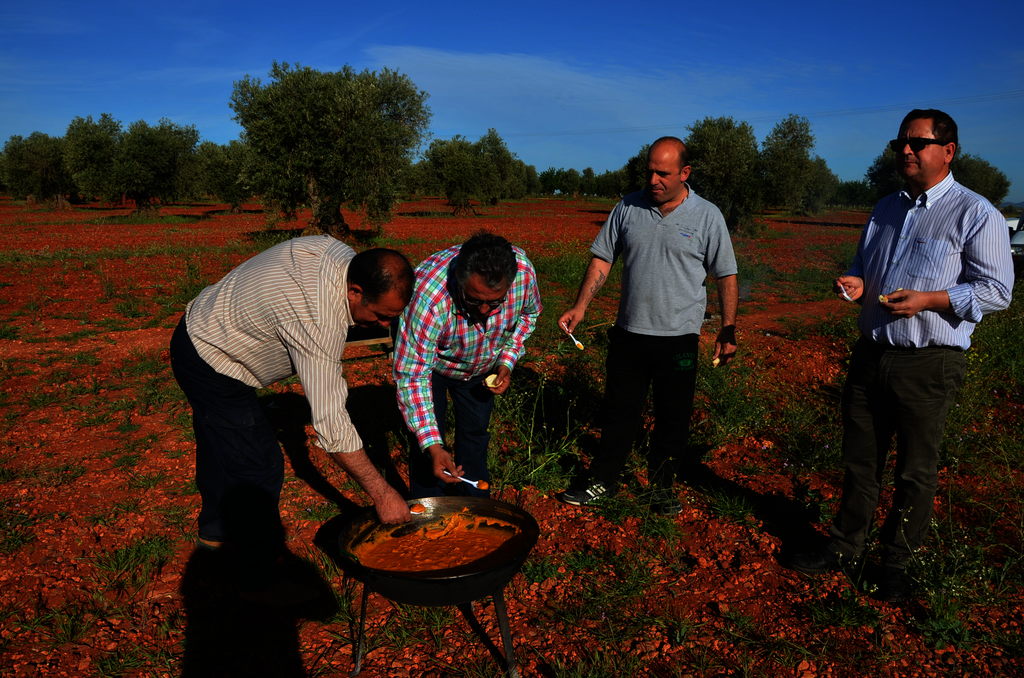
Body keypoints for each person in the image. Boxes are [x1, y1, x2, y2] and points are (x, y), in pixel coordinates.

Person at [790, 110, 1014, 602]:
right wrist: (858, 282)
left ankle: (895, 563)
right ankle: (845, 547)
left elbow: (997, 291)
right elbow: (866, 265)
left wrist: (931, 299)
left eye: (917, 143)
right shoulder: (885, 208)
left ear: (948, 150)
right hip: (871, 353)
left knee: (915, 470)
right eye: (900, 144)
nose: (905, 152)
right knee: (859, 461)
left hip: (928, 362)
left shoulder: (975, 213)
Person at [170, 235, 416, 550]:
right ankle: (253, 557)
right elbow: (330, 423)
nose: (382, 324)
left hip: (203, 327)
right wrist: (383, 494)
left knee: (222, 443)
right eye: (380, 316)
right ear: (355, 291)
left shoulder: (338, 255)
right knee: (259, 466)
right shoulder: (318, 318)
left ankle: (214, 535)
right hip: (212, 358)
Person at [557, 136, 739, 515]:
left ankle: (661, 487)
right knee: (619, 412)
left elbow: (726, 274)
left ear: (684, 173)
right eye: (649, 170)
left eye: (663, 173)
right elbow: (602, 259)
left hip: (679, 339)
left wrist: (728, 327)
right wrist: (581, 306)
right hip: (629, 333)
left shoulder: (708, 216)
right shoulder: (627, 207)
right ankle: (603, 480)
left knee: (673, 417)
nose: (653, 179)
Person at [394, 231, 542, 498]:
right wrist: (433, 445)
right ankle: (428, 506)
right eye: (474, 300)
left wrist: (506, 361)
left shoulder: (524, 275)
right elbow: (413, 375)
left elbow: (529, 315)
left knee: (474, 434)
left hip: (482, 364)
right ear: (460, 282)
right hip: (433, 368)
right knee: (427, 443)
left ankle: (475, 501)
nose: (484, 311)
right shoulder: (428, 299)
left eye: (495, 302)